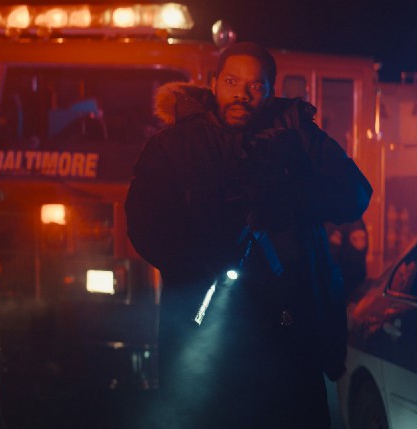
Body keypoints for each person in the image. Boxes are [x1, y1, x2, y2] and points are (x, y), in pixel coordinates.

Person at [125, 42, 372, 428]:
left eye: (255, 85)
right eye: (231, 82)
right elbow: (145, 223)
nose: (241, 94)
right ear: (213, 84)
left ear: (270, 91)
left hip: (289, 324)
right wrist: (204, 259)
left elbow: (355, 195)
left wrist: (291, 194)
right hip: (202, 321)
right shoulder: (174, 145)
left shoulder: (298, 136)